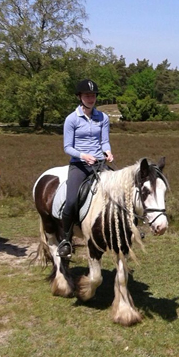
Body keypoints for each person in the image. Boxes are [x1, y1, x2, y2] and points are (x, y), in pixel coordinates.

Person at [58, 79, 113, 258]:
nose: (91, 98)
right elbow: (67, 147)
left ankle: (127, 228)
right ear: (80, 97)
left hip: (99, 164)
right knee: (72, 201)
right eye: (87, 95)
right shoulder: (71, 119)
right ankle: (66, 239)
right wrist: (83, 156)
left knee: (121, 191)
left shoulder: (103, 117)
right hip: (79, 165)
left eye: (93, 95)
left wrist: (108, 152)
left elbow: (104, 141)